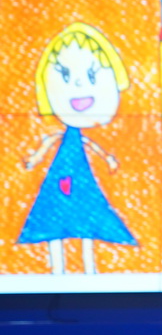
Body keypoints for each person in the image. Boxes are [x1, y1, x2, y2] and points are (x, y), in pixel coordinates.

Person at [20, 23, 137, 274]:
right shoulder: (60, 137)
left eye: (92, 76)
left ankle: (89, 269)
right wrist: (34, 159)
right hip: (60, 183)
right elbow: (49, 143)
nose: (79, 85)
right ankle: (58, 270)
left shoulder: (77, 139)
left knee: (87, 221)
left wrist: (107, 158)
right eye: (64, 76)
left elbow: (89, 145)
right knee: (53, 222)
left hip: (80, 183)